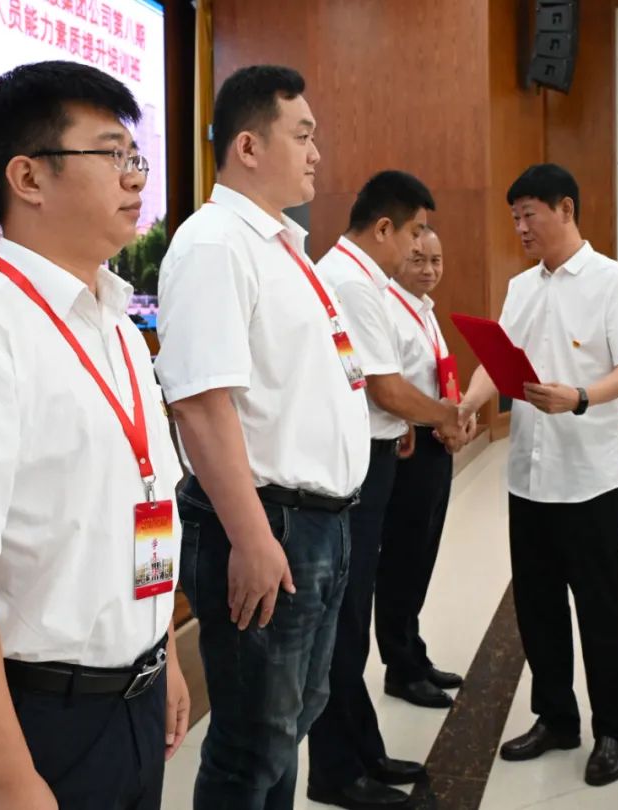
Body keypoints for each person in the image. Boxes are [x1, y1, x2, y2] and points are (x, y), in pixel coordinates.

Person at [0, 60, 189, 809]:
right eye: (111, 154)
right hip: (32, 720)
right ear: (27, 178)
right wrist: (7, 778)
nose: (135, 177)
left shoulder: (117, 327)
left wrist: (163, 654)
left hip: (136, 693)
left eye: (135, 156)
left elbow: (138, 509)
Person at [154, 65, 369, 810]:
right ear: (248, 146)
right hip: (269, 523)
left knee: (290, 722)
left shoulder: (283, 246)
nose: (316, 153)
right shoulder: (215, 243)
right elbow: (201, 404)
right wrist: (251, 537)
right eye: (302, 135)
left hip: (318, 523)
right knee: (252, 743)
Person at [458, 163, 618, 788]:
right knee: (537, 607)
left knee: (601, 609)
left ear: (565, 209)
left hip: (590, 478)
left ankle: (615, 731)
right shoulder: (521, 288)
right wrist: (467, 404)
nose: (520, 227)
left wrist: (581, 397)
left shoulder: (613, 282)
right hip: (529, 478)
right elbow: (496, 362)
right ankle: (556, 718)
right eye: (514, 217)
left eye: (529, 215)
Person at [306, 171, 467, 809]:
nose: (418, 246)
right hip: (352, 468)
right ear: (383, 228)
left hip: (371, 450)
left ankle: (362, 753)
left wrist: (398, 426)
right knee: (344, 623)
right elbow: (386, 387)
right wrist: (443, 416)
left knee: (351, 618)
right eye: (414, 232)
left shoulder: (357, 277)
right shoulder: (352, 282)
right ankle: (337, 770)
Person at [374, 225, 467, 708]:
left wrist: (457, 417)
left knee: (423, 555)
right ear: (399, 259)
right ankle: (400, 668)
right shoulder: (388, 309)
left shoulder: (425, 311)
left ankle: (414, 650)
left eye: (437, 260)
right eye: (418, 260)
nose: (429, 270)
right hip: (407, 450)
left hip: (435, 444)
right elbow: (389, 389)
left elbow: (440, 378)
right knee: (401, 560)